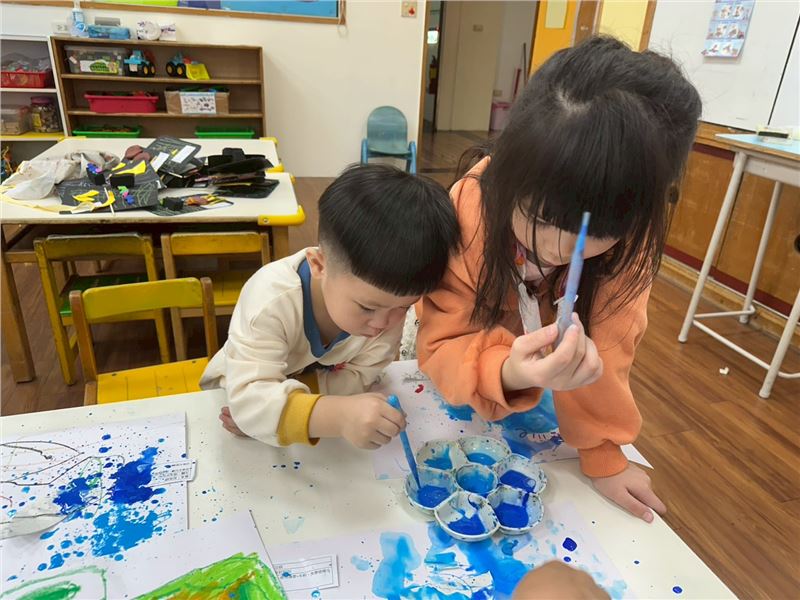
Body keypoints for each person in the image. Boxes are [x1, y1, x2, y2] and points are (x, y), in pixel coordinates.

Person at [417, 36, 702, 521]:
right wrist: (511, 372)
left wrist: (603, 455)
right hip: (464, 369)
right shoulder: (471, 209)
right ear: (509, 172)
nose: (557, 249)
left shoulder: (629, 246)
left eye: (596, 233)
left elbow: (608, 352)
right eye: (538, 216)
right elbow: (444, 340)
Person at [201, 164, 460, 450]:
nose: (383, 324)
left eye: (405, 307)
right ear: (319, 265)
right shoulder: (271, 300)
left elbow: (360, 377)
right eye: (366, 307)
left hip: (297, 408)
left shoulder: (386, 309)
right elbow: (248, 401)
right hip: (226, 398)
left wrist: (284, 413)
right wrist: (334, 416)